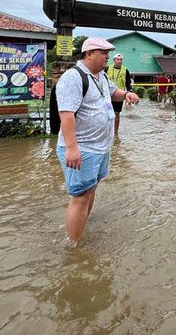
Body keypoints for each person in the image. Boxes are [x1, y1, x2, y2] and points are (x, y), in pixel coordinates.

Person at [56, 38, 140, 245]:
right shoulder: (72, 78)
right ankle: (73, 247)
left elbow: (112, 92)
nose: (108, 57)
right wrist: (72, 148)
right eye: (104, 53)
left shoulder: (100, 75)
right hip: (83, 148)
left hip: (100, 147)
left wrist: (127, 93)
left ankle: (81, 225)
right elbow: (66, 114)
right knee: (81, 196)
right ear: (89, 53)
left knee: (91, 189)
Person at [106, 53, 133, 134]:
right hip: (107, 94)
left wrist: (129, 93)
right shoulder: (107, 68)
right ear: (114, 60)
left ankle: (116, 132)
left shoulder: (125, 70)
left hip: (119, 95)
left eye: (121, 60)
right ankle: (107, 131)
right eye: (117, 59)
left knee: (117, 114)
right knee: (106, 114)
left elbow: (128, 83)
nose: (119, 61)